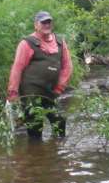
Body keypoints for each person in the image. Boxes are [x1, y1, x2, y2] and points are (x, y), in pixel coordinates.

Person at [7, 11, 73, 140]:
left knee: (59, 121)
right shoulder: (27, 43)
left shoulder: (60, 42)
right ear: (36, 25)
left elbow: (68, 66)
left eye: (49, 22)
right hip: (30, 92)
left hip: (49, 92)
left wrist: (60, 87)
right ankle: (35, 155)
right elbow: (17, 68)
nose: (46, 25)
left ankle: (56, 152)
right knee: (35, 125)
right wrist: (12, 92)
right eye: (43, 22)